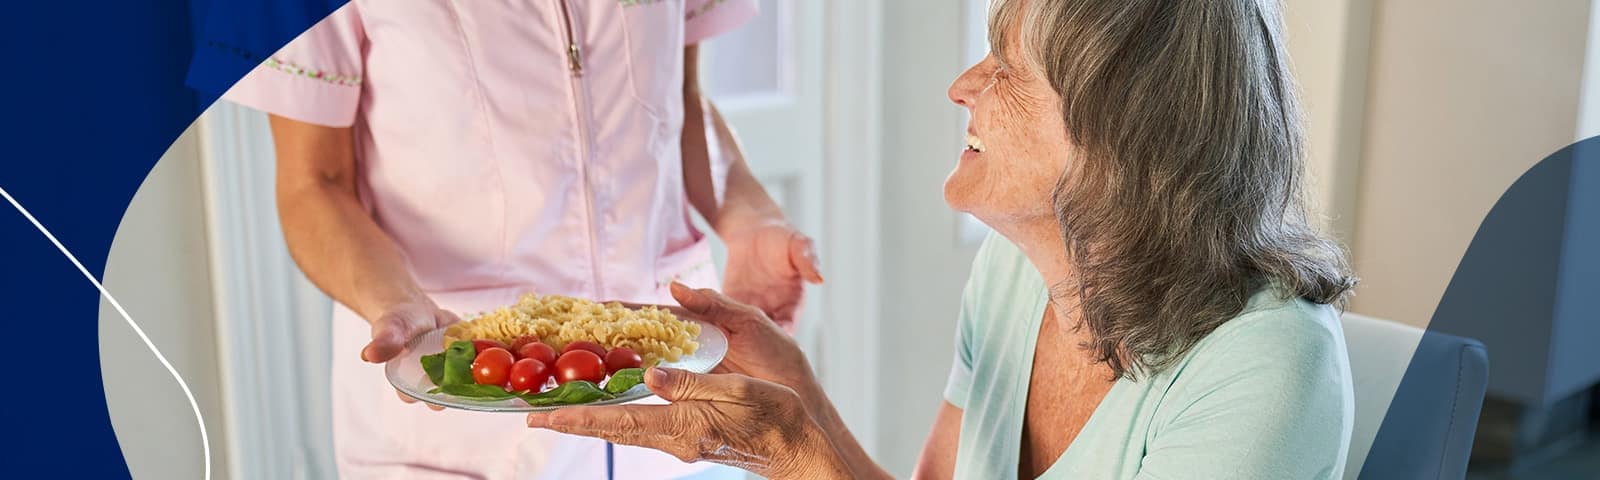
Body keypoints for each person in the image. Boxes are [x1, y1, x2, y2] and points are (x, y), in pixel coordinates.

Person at [525, 0, 1359, 478]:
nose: (963, 87)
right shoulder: (1018, 273)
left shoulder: (1269, 366)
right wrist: (799, 400)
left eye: (1008, 67)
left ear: (1128, 130)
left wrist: (795, 451)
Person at [219, 1, 822, 478]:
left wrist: (748, 221)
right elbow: (315, 183)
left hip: (669, 394)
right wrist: (395, 304)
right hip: (467, 399)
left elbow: (683, 103)